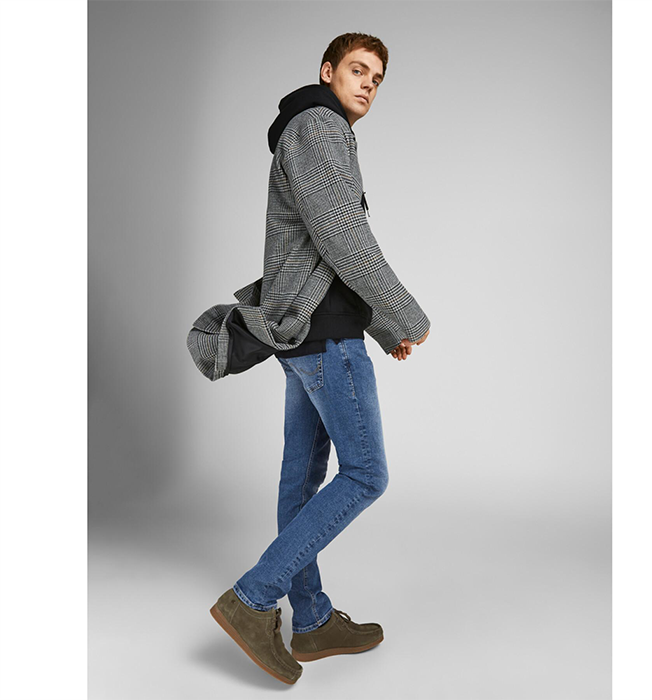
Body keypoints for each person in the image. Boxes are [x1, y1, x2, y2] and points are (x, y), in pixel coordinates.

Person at [210, 32, 430, 685]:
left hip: (308, 333)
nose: (367, 84)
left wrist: (382, 327)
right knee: (366, 474)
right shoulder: (320, 126)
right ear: (328, 71)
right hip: (327, 337)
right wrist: (406, 315)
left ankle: (310, 620)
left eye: (377, 78)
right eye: (358, 70)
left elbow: (326, 248)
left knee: (300, 481)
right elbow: (345, 237)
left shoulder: (313, 131)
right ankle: (253, 598)